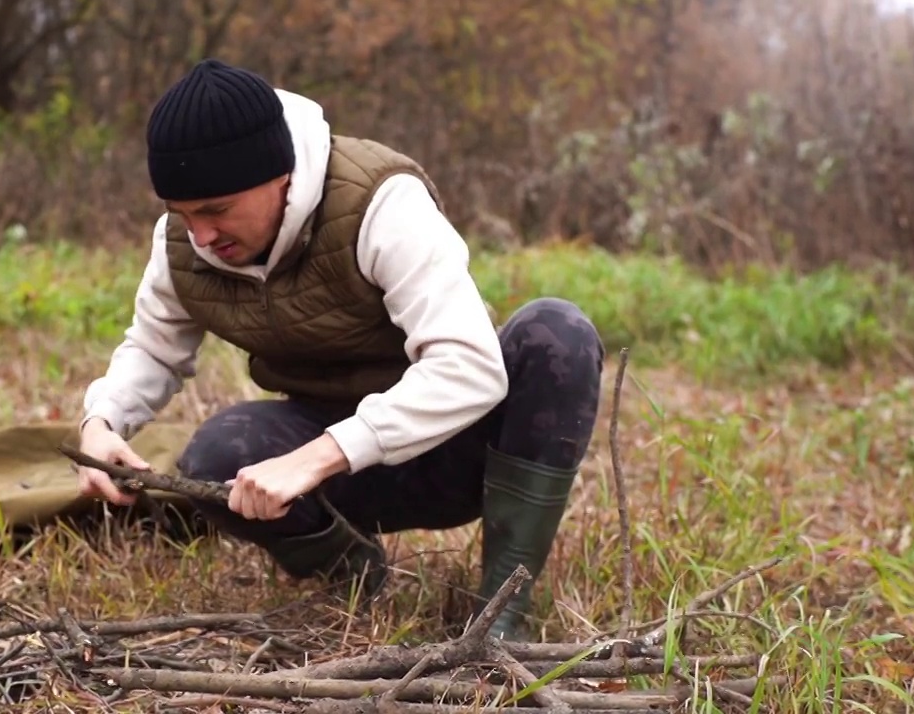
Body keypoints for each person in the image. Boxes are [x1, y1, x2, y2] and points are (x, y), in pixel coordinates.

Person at [73, 59, 605, 641]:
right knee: (220, 455)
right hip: (349, 472)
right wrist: (102, 422)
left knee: (558, 333)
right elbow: (153, 349)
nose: (201, 236)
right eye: (183, 214)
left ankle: (504, 610)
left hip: (460, 451)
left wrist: (315, 457)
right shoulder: (182, 242)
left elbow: (470, 368)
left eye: (217, 210)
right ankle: (354, 575)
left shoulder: (380, 202)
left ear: (281, 177)